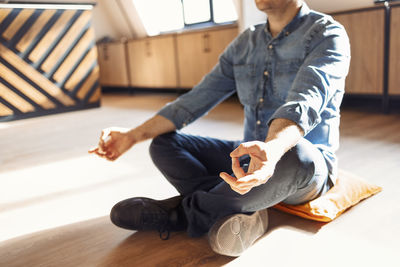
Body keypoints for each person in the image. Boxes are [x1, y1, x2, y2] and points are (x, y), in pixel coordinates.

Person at [89, 0, 350, 257]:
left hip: (303, 168)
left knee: (296, 154)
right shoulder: (246, 42)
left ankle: (181, 214)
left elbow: (304, 101)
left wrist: (273, 149)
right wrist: (133, 135)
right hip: (247, 159)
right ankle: (238, 204)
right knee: (163, 143)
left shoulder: (328, 34)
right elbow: (195, 100)